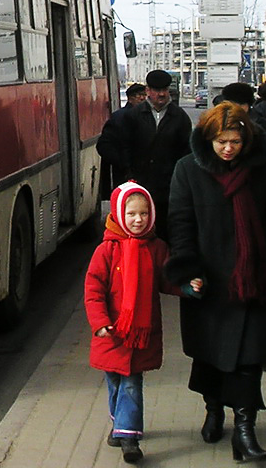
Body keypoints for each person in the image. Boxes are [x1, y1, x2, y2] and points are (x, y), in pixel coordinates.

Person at [165, 102, 266, 462]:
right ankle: (214, 410)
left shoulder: (262, 171)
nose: (229, 149)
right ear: (208, 138)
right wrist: (187, 268)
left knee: (249, 358)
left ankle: (245, 430)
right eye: (221, 141)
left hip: (253, 277)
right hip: (209, 281)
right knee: (210, 355)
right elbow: (179, 223)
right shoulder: (188, 170)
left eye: (235, 142)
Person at [84, 181, 184, 464]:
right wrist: (100, 323)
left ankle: (129, 438)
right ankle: (119, 426)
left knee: (131, 382)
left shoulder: (156, 248)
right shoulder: (106, 251)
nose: (138, 220)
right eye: (131, 214)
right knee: (114, 382)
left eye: (143, 214)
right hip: (111, 333)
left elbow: (167, 280)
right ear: (117, 214)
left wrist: (187, 286)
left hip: (140, 334)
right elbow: (93, 290)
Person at [113, 69, 192, 239]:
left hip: (169, 186)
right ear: (148, 91)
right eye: (157, 90)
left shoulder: (179, 117)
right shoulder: (133, 116)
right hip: (139, 183)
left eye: (165, 90)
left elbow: (186, 151)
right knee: (139, 229)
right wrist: (129, 175)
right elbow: (124, 147)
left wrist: (179, 180)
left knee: (166, 230)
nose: (162, 94)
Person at [97, 83, 147, 191]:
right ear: (130, 98)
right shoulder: (119, 118)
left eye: (145, 95)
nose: (143, 98)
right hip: (125, 177)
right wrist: (123, 163)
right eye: (139, 95)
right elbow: (103, 146)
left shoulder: (149, 116)